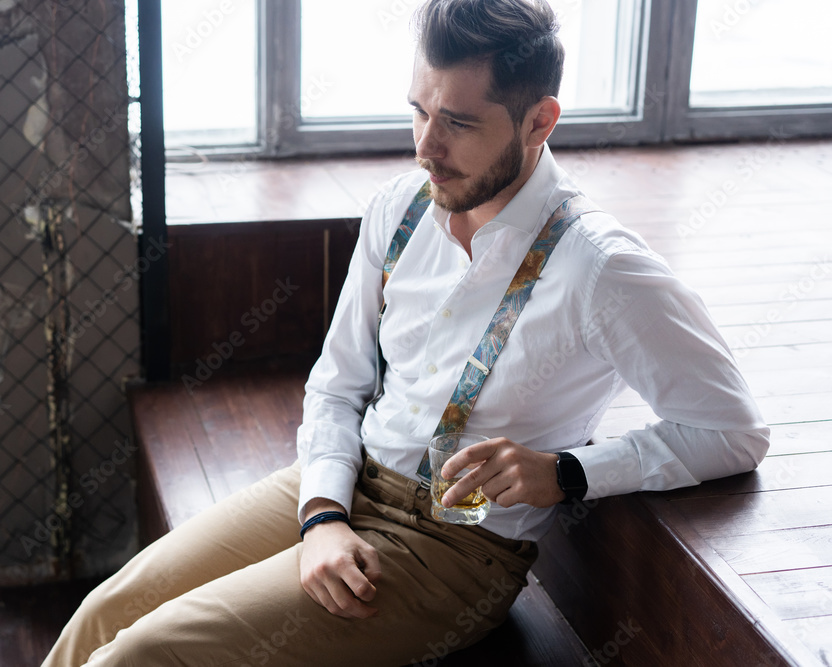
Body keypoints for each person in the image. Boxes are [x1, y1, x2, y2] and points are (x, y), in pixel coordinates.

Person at [43, 0, 769, 664]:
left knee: (141, 655)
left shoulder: (604, 269)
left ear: (540, 121)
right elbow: (337, 383)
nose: (427, 146)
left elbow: (733, 428)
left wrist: (570, 471)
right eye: (419, 112)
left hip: (451, 547)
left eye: (457, 123)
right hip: (342, 480)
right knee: (103, 614)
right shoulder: (400, 208)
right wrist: (323, 512)